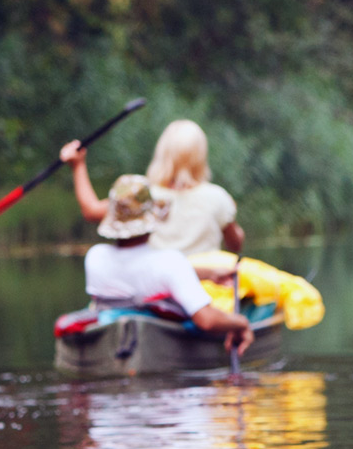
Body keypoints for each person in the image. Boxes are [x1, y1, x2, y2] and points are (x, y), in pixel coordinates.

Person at [83, 175, 254, 352]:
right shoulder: (170, 262)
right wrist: (240, 323)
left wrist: (209, 274)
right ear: (151, 220)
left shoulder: (95, 256)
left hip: (112, 339)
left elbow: (140, 270)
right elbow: (207, 320)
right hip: (153, 346)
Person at [63, 118, 244, 257]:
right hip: (205, 287)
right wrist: (230, 215)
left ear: (163, 152)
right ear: (200, 157)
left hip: (157, 286)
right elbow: (235, 245)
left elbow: (91, 211)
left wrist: (78, 166)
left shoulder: (143, 194)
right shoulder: (218, 196)